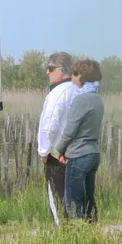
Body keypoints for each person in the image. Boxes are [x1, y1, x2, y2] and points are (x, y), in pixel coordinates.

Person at [55, 59, 104, 222]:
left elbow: (70, 131)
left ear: (82, 76)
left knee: (74, 201)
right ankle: (92, 232)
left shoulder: (80, 100)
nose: (73, 78)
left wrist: (60, 149)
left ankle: (78, 234)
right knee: (89, 199)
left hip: (78, 154)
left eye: (75, 74)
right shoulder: (97, 98)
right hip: (93, 152)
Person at [37, 52, 78, 226]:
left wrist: (44, 152)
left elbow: (49, 125)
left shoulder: (57, 94)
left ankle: (64, 236)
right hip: (79, 154)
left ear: (61, 71)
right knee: (78, 200)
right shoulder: (79, 90)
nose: (47, 72)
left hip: (58, 157)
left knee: (59, 201)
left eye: (50, 68)